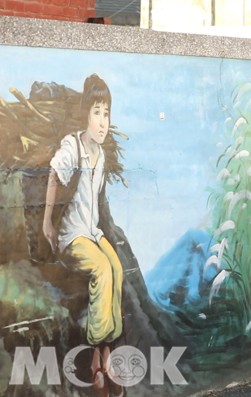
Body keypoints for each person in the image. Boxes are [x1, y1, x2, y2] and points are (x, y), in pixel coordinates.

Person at [42, 73, 124, 396]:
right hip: (73, 237)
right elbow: (52, 175)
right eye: (96, 112)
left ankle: (108, 353)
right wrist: (47, 223)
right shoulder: (72, 146)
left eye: (106, 113)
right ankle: (95, 359)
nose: (102, 122)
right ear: (85, 114)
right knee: (102, 270)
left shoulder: (101, 156)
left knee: (117, 269)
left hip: (92, 232)